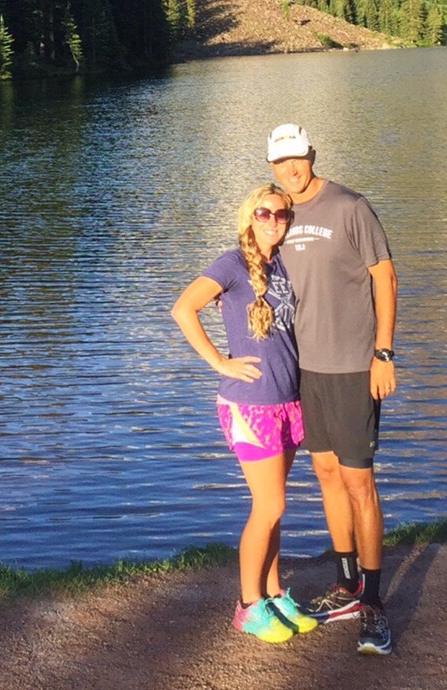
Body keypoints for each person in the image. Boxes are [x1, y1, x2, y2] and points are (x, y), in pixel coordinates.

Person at [267, 122, 397, 657]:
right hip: (306, 370)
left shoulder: (349, 206)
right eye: (280, 163)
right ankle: (346, 585)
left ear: (312, 155)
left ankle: (374, 603)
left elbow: (385, 276)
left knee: (358, 481)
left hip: (351, 367)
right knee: (325, 474)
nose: (290, 170)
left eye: (296, 159)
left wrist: (383, 353)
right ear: (271, 167)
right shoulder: (278, 216)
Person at [170, 183, 319, 645]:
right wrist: (219, 362)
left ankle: (273, 595)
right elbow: (183, 308)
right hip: (250, 405)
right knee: (269, 505)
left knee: (275, 507)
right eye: (264, 213)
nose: (274, 221)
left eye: (282, 214)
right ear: (249, 217)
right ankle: (249, 606)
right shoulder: (232, 263)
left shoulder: (283, 264)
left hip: (287, 400)